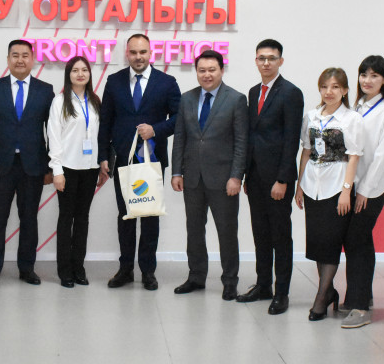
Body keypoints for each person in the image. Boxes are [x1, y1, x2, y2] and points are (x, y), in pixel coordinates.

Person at [98, 34, 181, 290]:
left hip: (152, 161)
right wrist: (103, 156)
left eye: (142, 52)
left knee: (149, 216)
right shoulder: (114, 81)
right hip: (123, 160)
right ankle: (125, 269)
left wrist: (156, 129)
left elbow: (179, 118)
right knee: (126, 216)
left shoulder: (167, 82)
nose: (138, 57)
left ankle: (148, 271)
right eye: (133, 52)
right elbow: (106, 121)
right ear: (127, 54)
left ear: (150, 53)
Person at [171, 50, 248, 301]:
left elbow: (241, 142)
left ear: (221, 70)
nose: (207, 75)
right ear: (196, 72)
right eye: (202, 70)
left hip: (224, 179)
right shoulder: (187, 99)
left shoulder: (236, 99)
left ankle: (230, 281)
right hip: (192, 178)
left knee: (227, 232)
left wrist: (236, 176)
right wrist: (176, 171)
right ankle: (196, 277)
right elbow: (180, 137)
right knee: (194, 230)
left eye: (212, 70)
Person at [0, 40, 54, 288]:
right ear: (8, 59)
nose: (20, 60)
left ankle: (27, 268)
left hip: (33, 166)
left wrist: (50, 167)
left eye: (25, 55)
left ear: (33, 59)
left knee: (29, 218)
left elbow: (53, 132)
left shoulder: (46, 90)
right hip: (0, 165)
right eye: (15, 55)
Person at [238, 39, 303, 315]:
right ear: (256, 61)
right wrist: (245, 175)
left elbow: (291, 140)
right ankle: (263, 284)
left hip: (278, 179)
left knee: (280, 236)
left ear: (280, 61)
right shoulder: (254, 92)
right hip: (255, 177)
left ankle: (282, 292)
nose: (266, 63)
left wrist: (283, 179)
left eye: (271, 58)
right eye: (261, 58)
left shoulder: (291, 93)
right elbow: (252, 136)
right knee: (260, 234)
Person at [295, 68, 363, 321]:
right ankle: (329, 290)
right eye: (324, 87)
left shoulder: (351, 119)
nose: (329, 92)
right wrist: (299, 184)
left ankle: (321, 297)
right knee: (317, 244)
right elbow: (306, 151)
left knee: (331, 243)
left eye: (335, 87)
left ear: (344, 90)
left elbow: (354, 157)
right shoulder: (311, 116)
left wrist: (346, 191)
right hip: (312, 186)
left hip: (336, 187)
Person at [340, 56, 384, 328]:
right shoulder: (355, 107)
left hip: (371, 189)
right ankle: (362, 295)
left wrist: (364, 190)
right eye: (364, 74)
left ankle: (360, 306)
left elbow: (383, 155)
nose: (367, 80)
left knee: (356, 240)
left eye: (374, 75)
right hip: (350, 186)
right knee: (359, 241)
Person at [47, 56, 108, 287]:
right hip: (67, 168)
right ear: (68, 74)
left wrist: (101, 164)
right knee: (66, 218)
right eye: (75, 70)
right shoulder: (59, 101)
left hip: (90, 168)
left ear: (90, 74)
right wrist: (57, 170)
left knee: (82, 219)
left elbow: (101, 135)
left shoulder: (95, 101)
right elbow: (54, 137)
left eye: (84, 70)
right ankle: (65, 271)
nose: (80, 74)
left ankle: (78, 268)